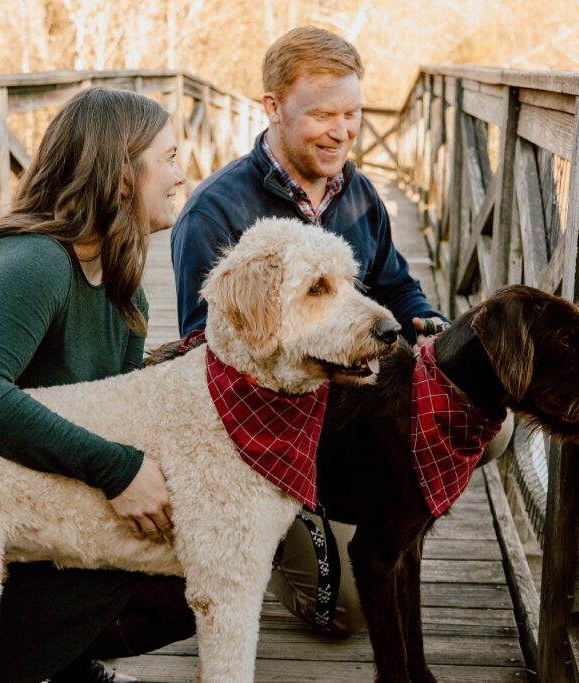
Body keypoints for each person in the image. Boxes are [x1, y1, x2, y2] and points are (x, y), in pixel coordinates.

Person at [171, 25, 512, 636]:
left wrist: (429, 324)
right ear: (272, 107)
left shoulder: (358, 193)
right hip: (268, 431)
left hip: (361, 407)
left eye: (352, 114)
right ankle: (278, 535)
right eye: (321, 114)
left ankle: (375, 503)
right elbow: (207, 353)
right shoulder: (215, 213)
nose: (341, 131)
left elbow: (398, 286)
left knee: (494, 426)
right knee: (346, 613)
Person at [0, 87, 192, 683]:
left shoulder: (124, 288)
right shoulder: (32, 262)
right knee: (144, 563)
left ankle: (60, 662)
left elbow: (115, 413)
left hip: (18, 506)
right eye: (171, 157)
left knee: (200, 564)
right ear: (123, 176)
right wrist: (117, 470)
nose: (182, 175)